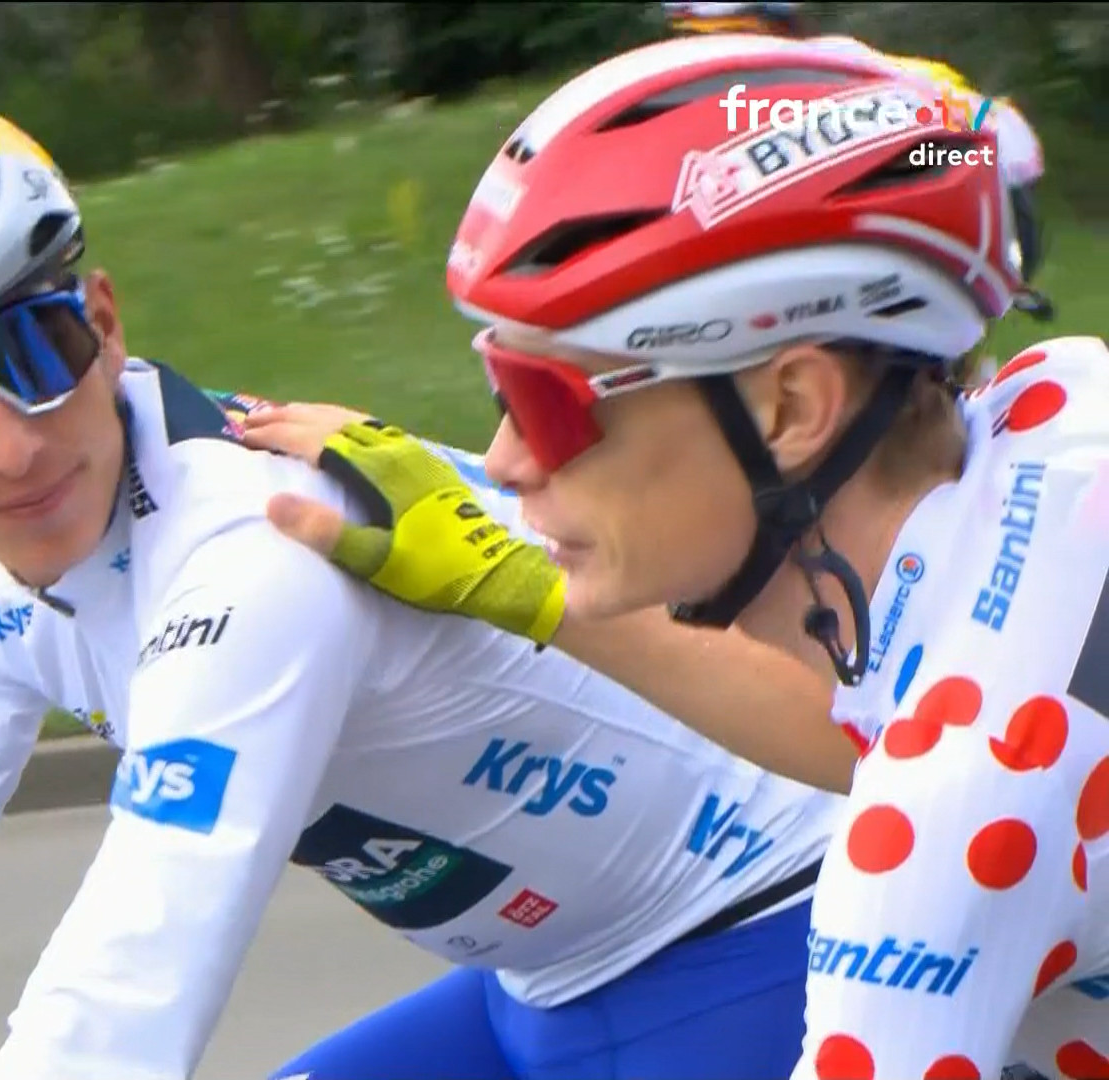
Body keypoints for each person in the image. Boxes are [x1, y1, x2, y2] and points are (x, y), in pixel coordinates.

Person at [0, 102, 850, 1080]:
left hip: (762, 939)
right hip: (538, 991)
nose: (10, 450)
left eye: (32, 357)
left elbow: (123, 999)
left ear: (104, 324)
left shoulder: (259, 546)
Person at [246, 33, 1109, 1080]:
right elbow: (885, 728)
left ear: (791, 407)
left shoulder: (935, 838)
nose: (506, 462)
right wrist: (529, 588)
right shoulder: (1057, 403)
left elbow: (963, 775)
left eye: (545, 404)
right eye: (498, 388)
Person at [661, 0, 1056, 329]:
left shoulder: (839, 63)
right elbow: (1006, 138)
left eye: (727, 37)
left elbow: (1000, 135)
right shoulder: (686, 96)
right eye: (692, 40)